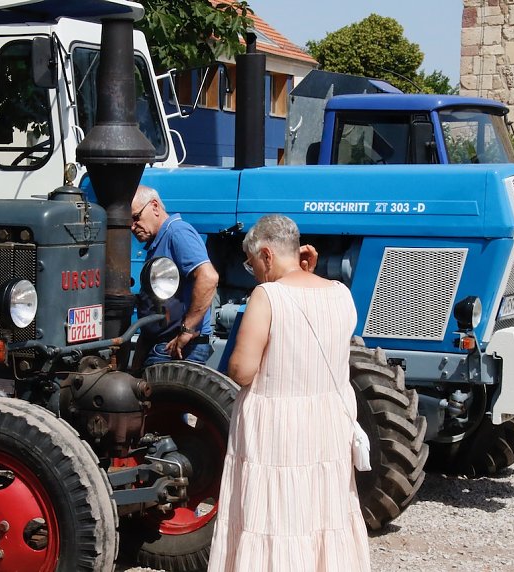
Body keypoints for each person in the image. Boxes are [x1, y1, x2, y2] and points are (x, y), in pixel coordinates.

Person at [208, 214, 370, 572]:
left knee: (275, 513)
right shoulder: (341, 294)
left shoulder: (268, 296)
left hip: (278, 426)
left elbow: (242, 370)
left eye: (252, 264)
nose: (254, 273)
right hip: (328, 423)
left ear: (266, 255)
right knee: (320, 511)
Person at [131, 184, 219, 368]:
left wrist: (187, 330)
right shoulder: (159, 241)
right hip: (161, 345)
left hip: (176, 348)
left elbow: (208, 277)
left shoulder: (177, 233)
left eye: (136, 217)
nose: (132, 227)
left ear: (155, 206)